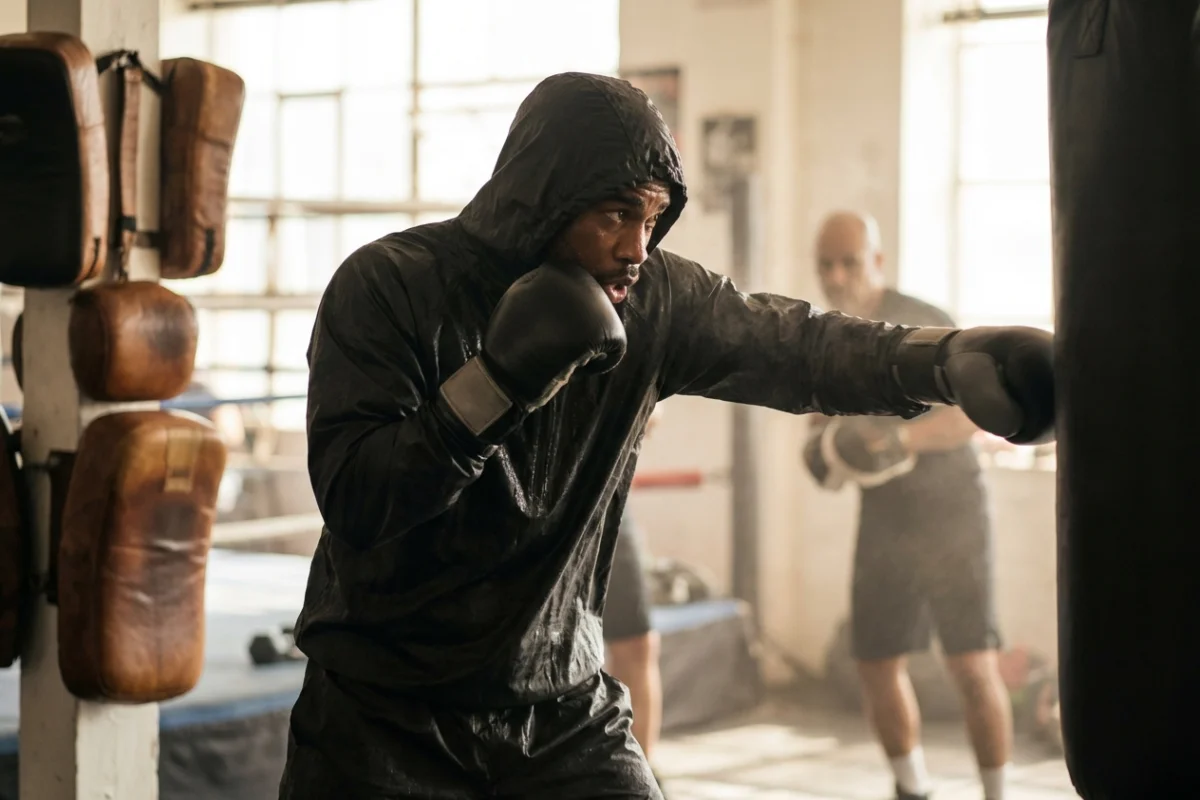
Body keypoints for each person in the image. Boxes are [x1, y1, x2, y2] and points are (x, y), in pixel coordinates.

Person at [278, 72, 1054, 800]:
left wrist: (942, 360)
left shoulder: (653, 301)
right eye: (615, 214)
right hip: (383, 714)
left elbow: (797, 346)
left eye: (651, 218)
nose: (635, 247)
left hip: (560, 704)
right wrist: (496, 383)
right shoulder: (387, 287)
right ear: (542, 201)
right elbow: (359, 499)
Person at [802, 211, 1013, 800]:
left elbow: (973, 412)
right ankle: (911, 789)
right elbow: (821, 446)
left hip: (952, 511)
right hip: (885, 514)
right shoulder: (823, 340)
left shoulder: (923, 323)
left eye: (849, 261)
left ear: (878, 262)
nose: (837, 275)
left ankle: (996, 795)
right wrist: (832, 457)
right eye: (826, 264)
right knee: (875, 660)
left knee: (972, 665)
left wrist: (901, 439)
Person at [603, 404, 666, 792]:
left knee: (638, 645)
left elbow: (653, 412)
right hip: (530, 485)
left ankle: (639, 774)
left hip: (609, 491)